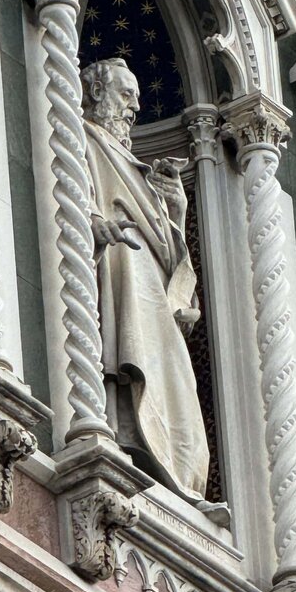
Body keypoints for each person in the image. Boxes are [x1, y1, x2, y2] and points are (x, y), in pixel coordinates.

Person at [82, 57, 209, 502]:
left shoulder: (137, 169)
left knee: (173, 381)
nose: (135, 107)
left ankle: (175, 473)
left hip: (152, 297)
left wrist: (177, 210)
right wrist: (94, 223)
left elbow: (171, 259)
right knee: (126, 357)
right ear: (96, 93)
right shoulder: (83, 139)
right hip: (121, 272)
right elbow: (76, 195)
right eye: (126, 94)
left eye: (137, 97)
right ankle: (114, 430)